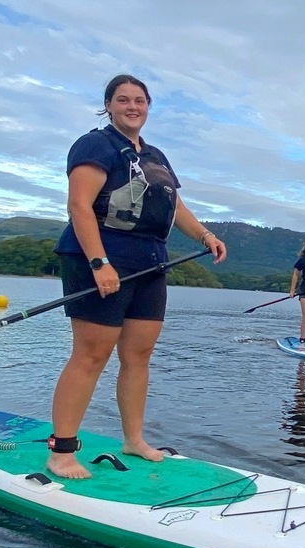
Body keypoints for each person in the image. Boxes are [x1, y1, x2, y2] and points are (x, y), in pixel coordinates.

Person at [48, 74, 227, 478]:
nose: (133, 106)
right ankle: (61, 450)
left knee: (138, 355)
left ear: (148, 107)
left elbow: (175, 206)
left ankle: (133, 439)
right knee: (91, 354)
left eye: (140, 100)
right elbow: (79, 205)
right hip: (100, 258)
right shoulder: (95, 144)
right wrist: (99, 262)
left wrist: (205, 234)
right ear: (108, 104)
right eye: (123, 99)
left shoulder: (156, 155)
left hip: (150, 262)